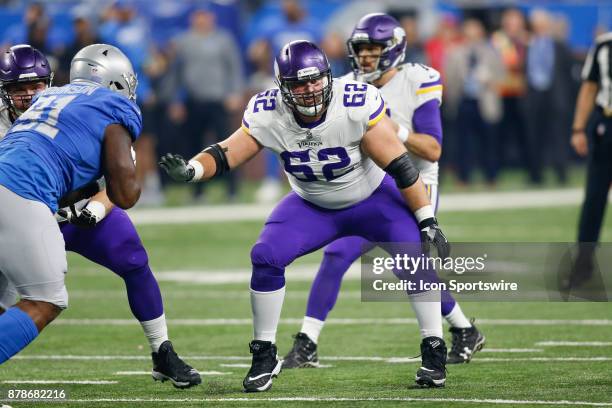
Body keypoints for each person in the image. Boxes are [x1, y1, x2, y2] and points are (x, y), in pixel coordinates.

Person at [161, 40, 451, 390]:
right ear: (283, 87)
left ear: (327, 76)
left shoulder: (354, 104)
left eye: (315, 80)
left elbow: (402, 168)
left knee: (415, 258)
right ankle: (265, 353)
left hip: (372, 198)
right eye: (299, 83)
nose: (310, 89)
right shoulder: (269, 111)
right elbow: (226, 153)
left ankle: (434, 350)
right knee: (265, 256)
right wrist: (193, 170)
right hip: (312, 204)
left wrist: (426, 219)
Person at [281, 13, 485, 370]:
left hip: (414, 182)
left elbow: (433, 150)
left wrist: (395, 132)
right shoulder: (344, 86)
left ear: (393, 50)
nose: (365, 57)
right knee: (336, 256)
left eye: (373, 49)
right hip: (369, 182)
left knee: (409, 264)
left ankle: (462, 329)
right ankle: (306, 342)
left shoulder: (417, 80)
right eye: (360, 50)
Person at [0, 44, 200, 388]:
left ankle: (162, 351)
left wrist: (96, 208)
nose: (31, 95)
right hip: (30, 203)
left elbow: (114, 182)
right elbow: (126, 188)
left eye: (36, 86)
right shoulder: (109, 107)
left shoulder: (58, 101)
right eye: (19, 89)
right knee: (38, 300)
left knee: (134, 260)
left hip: (73, 208)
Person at [565, 31, 612, 289]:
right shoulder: (604, 44)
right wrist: (578, 128)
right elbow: (590, 86)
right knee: (594, 197)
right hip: (607, 122)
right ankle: (583, 265)